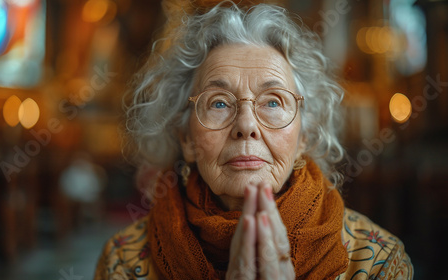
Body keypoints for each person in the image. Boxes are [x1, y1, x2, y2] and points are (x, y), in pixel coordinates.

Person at [94, 1, 413, 279]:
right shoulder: (124, 262)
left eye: (273, 102)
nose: (246, 126)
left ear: (303, 136)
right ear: (186, 138)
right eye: (218, 102)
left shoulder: (378, 263)